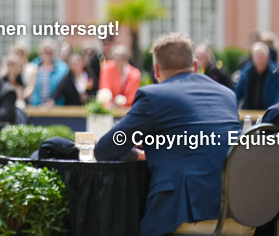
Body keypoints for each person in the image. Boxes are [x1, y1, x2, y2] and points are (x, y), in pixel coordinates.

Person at [95, 33, 241, 236]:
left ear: (156, 70)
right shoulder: (227, 95)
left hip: (184, 215)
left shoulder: (155, 96)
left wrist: (137, 154)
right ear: (196, 65)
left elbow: (105, 149)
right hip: (239, 212)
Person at [234, 42, 279, 110]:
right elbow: (237, 92)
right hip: (249, 113)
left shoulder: (275, 74)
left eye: (262, 56)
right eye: (257, 56)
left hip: (269, 114)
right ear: (253, 58)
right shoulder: (246, 73)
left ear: (267, 57)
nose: (259, 59)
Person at [26, 39, 67, 106]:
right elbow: (29, 87)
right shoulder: (33, 66)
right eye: (45, 51)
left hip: (57, 109)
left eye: (50, 51)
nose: (47, 53)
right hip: (36, 108)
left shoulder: (63, 68)